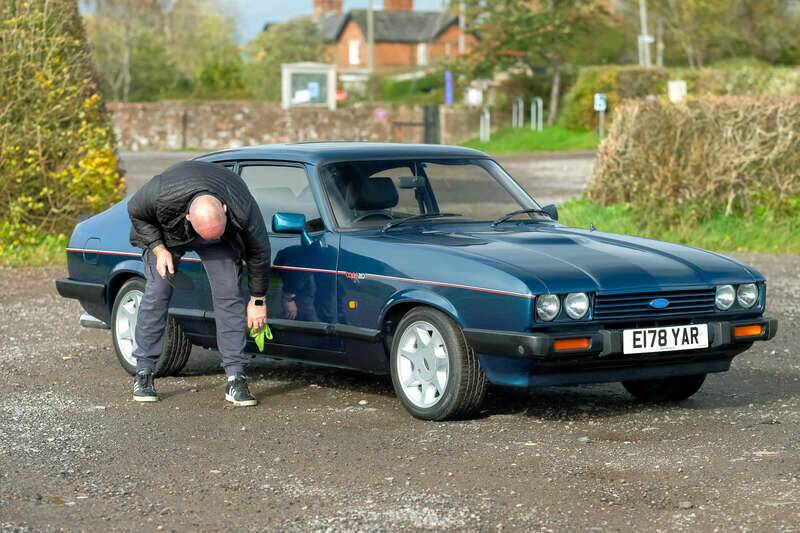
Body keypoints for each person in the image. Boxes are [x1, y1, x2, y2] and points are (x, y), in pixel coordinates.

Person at [127, 160, 270, 407]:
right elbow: (136, 212)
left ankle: (236, 378)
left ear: (225, 209)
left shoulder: (242, 206)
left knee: (230, 294)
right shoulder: (160, 193)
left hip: (220, 237)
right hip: (169, 235)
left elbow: (259, 251)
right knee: (157, 292)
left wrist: (258, 299)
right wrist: (159, 249)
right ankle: (144, 373)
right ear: (188, 216)